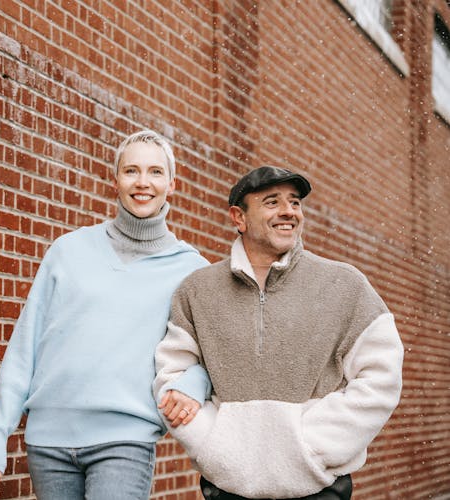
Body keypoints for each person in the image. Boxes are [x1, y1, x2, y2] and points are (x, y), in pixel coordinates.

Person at [0, 130, 212, 499]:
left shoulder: (192, 270)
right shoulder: (67, 251)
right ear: (114, 180)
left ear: (171, 184)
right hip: (47, 444)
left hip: (125, 441)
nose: (143, 182)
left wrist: (192, 385)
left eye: (155, 172)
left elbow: (215, 355)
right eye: (131, 171)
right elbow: (25, 348)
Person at [153, 166, 404, 500]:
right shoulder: (198, 291)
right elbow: (172, 374)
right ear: (238, 218)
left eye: (295, 203)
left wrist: (314, 447)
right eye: (272, 202)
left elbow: (381, 378)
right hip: (227, 488)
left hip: (319, 487)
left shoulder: (344, 285)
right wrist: (213, 446)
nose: (289, 212)